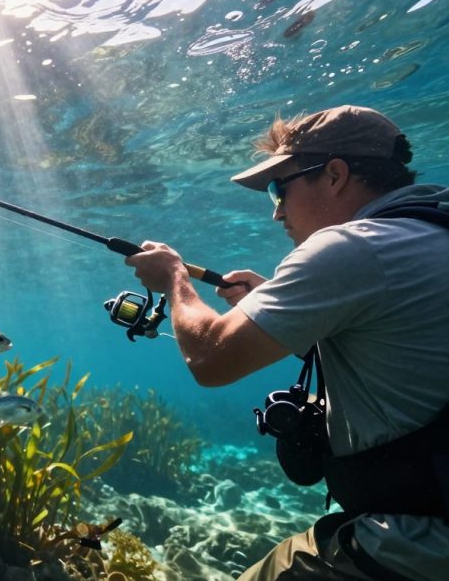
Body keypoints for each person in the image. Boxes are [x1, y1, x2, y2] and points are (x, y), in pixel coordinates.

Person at [124, 105, 449, 580]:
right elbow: (405, 345)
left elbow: (210, 359)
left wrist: (174, 279)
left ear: (335, 175)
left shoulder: (352, 248)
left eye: (281, 188)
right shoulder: (429, 232)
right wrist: (283, 315)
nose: (277, 211)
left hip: (417, 540)